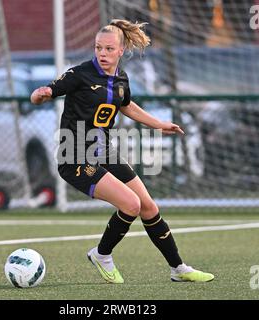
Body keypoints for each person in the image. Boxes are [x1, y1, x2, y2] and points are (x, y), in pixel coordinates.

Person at [31, 19, 214, 284]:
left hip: (104, 152)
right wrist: (40, 95)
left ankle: (178, 268)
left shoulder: (121, 79)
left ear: (121, 50)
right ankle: (102, 255)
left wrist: (159, 124)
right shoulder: (80, 74)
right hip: (75, 157)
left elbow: (127, 106)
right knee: (131, 204)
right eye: (98, 48)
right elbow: (47, 92)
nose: (102, 54)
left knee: (149, 207)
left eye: (108, 49)